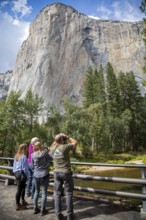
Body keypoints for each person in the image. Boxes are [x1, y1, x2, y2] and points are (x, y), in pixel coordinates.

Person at [50, 133, 78, 220]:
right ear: (62, 140)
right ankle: (70, 215)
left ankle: (58, 214)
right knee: (69, 193)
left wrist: (59, 136)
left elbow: (54, 143)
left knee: (57, 194)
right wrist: (67, 137)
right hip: (66, 172)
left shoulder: (52, 148)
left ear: (55, 141)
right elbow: (75, 142)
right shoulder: (64, 147)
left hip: (56, 173)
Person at [32, 141, 52, 216]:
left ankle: (35, 207)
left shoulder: (32, 154)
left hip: (36, 175)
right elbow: (51, 158)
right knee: (44, 193)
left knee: (36, 191)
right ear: (41, 146)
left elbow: (33, 165)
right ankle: (42, 210)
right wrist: (49, 151)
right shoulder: (44, 153)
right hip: (44, 174)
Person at [13, 143, 29, 211]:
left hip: (16, 173)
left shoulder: (16, 156)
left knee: (21, 188)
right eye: (26, 148)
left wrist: (15, 173)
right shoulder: (24, 156)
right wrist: (27, 175)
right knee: (20, 189)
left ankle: (22, 201)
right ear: (24, 149)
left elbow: (14, 166)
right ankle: (18, 204)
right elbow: (25, 168)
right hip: (22, 173)